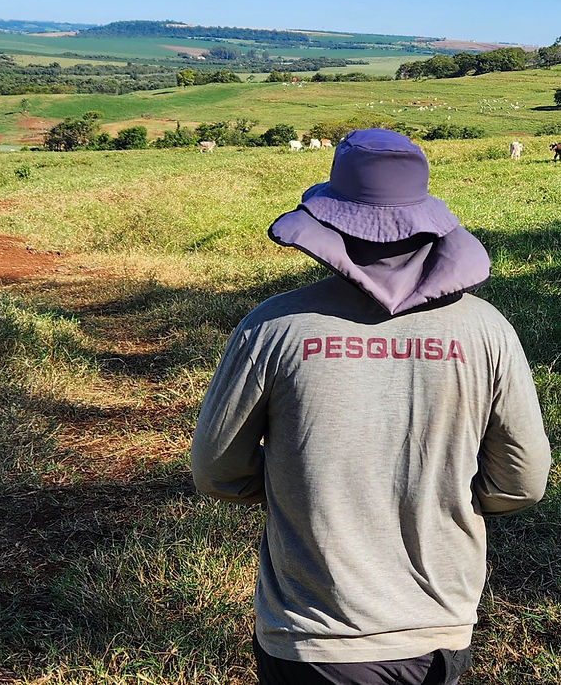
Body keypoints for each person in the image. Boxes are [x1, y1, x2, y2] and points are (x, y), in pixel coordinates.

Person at [190, 129, 551, 685]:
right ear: (429, 224)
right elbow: (523, 481)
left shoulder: (274, 327)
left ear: (329, 225)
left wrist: (303, 488)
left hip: (311, 636)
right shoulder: (487, 330)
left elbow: (218, 471)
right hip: (438, 633)